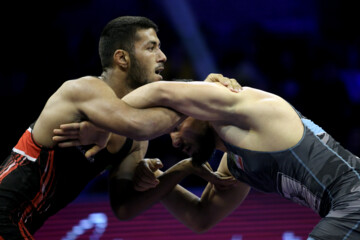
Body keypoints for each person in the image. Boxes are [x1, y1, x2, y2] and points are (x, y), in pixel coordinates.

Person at [57, 74, 360, 240]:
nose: (174, 140)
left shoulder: (243, 107)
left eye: (176, 126)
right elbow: (201, 218)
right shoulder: (235, 160)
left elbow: (161, 90)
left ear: (198, 108)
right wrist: (168, 176)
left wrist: (101, 126)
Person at [0, 16, 220, 240]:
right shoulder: (83, 89)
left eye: (160, 48)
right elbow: (138, 124)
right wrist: (198, 98)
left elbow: (125, 208)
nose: (162, 57)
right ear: (122, 58)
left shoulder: (136, 141)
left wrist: (181, 169)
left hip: (20, 226)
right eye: (151, 48)